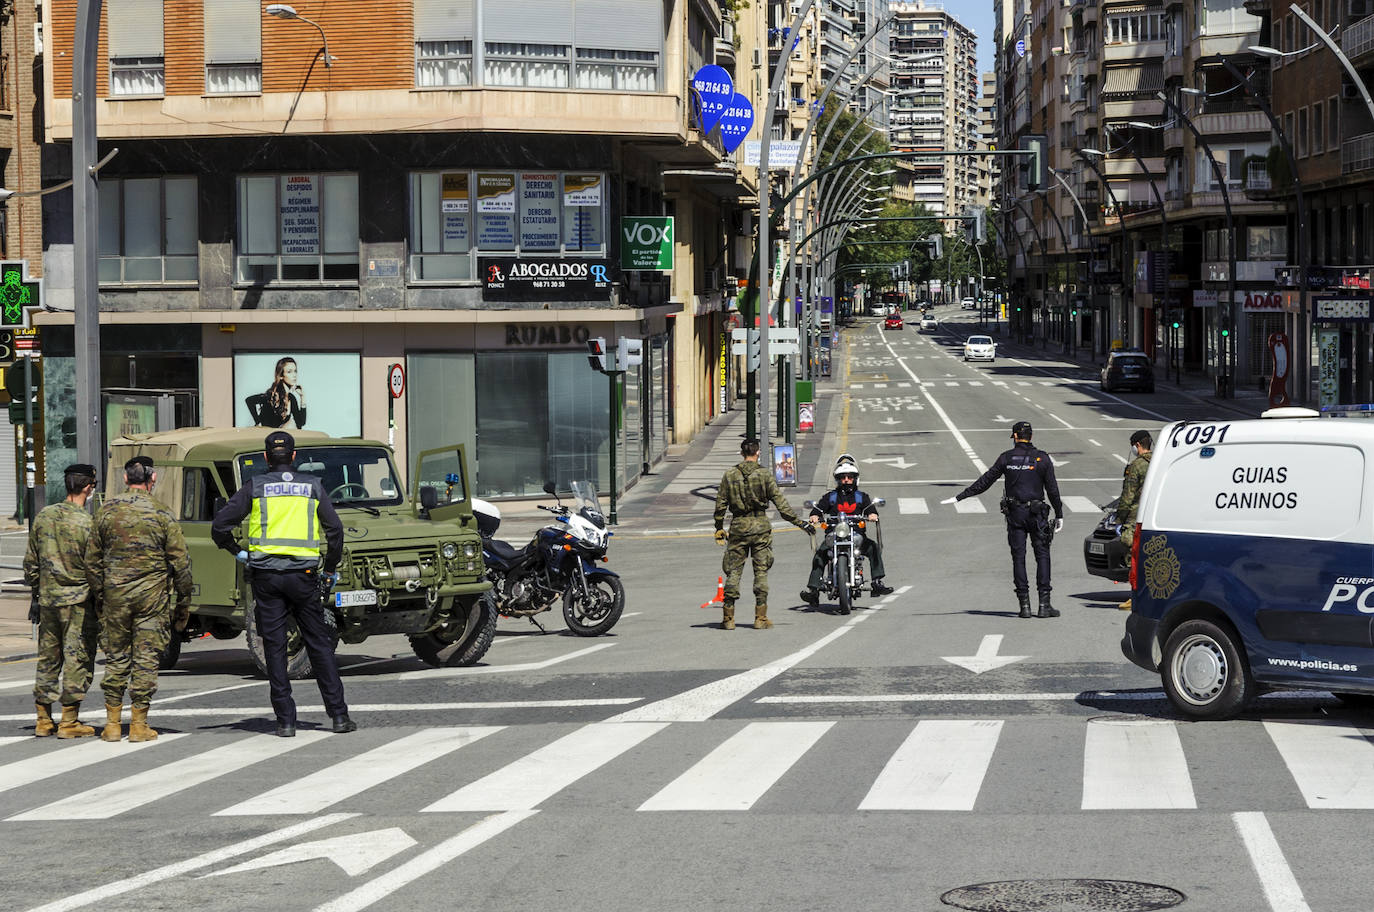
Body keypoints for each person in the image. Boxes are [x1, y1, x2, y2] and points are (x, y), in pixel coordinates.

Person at [212, 431, 354, 737]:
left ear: (265, 457)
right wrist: (329, 569)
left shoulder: (255, 487)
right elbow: (336, 531)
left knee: (275, 647)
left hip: (266, 578)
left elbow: (219, 526)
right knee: (319, 644)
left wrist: (240, 554)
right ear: (293, 456)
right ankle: (339, 716)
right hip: (303, 578)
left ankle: (286, 721)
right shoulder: (312, 486)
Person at [87, 456, 193, 742]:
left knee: (116, 658)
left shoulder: (106, 511)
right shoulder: (162, 513)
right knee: (145, 660)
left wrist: (101, 595)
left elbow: (92, 561)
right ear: (153, 478)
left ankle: (111, 725)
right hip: (151, 601)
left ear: (125, 479)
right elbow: (181, 564)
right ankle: (138, 725)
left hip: (115, 598)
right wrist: (183, 604)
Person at [943, 421, 1064, 618]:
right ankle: (1044, 605)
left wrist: (961, 496)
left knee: (1019, 558)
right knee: (1042, 556)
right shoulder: (1042, 458)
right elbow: (1052, 490)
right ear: (1031, 436)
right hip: (1037, 513)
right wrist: (1059, 514)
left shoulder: (1006, 458)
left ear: (1015, 436)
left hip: (1015, 514)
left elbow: (986, 481)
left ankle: (1024, 606)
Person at [25, 463, 100, 738]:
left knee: (47, 659)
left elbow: (31, 563)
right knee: (77, 658)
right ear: (88, 487)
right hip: (77, 602)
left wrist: (36, 594)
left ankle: (43, 719)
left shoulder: (43, 516)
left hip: (47, 601)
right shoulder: (87, 523)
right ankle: (69, 721)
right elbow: (95, 568)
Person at [713, 438, 814, 630]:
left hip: (738, 527)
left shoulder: (729, 475)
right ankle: (760, 618)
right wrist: (800, 523)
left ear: (742, 453)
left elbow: (720, 505)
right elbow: (781, 505)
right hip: (760, 527)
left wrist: (719, 527)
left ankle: (728, 618)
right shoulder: (765, 475)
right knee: (761, 572)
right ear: (758, 452)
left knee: (733, 572)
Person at [800, 458, 892, 605]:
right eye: (843, 477)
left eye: (850, 477)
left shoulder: (862, 497)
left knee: (873, 547)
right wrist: (815, 515)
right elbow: (818, 509)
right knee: (820, 554)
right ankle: (814, 591)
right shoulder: (830, 496)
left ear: (855, 479)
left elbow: (870, 510)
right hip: (834, 535)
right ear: (838, 480)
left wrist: (872, 515)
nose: (846, 480)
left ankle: (877, 582)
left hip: (857, 536)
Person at [1116, 430, 1152, 611]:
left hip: (1136, 516)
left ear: (1137, 445)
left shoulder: (1136, 466)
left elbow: (1127, 496)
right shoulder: (1159, 461)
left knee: (1132, 552)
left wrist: (1119, 518)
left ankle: (1136, 596)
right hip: (1154, 515)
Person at [259, 357, 307, 429]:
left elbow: (300, 423)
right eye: (289, 372)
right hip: (269, 436)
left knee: (292, 424)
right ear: (281, 376)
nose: (294, 375)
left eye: (295, 371)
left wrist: (302, 397)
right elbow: (249, 400)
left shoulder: (291, 398)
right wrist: (257, 421)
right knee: (291, 424)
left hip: (283, 437)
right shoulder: (273, 395)